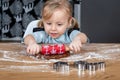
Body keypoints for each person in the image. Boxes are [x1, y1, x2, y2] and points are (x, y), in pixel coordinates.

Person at [23, 0, 88, 55]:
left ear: (69, 22)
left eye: (59, 24)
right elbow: (28, 37)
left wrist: (77, 40)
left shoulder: (69, 34)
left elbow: (83, 37)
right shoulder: (43, 34)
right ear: (43, 21)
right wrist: (32, 43)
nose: (53, 28)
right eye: (49, 23)